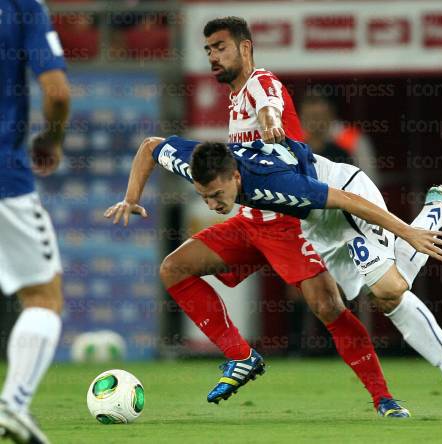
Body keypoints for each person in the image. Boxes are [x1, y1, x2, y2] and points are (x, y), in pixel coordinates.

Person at [107, 16, 407, 418]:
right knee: (174, 268)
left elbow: (269, 104)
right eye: (208, 49)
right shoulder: (232, 100)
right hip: (252, 220)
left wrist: (270, 123)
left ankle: (384, 399)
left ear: (245, 48)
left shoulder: (259, 83)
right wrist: (130, 198)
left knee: (328, 307)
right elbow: (149, 147)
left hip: (289, 219)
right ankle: (240, 356)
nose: (213, 56)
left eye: (220, 47)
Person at [108, 134, 442, 417]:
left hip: (345, 195)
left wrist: (407, 232)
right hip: (317, 224)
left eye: (217, 195)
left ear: (235, 178)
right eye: (203, 197)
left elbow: (344, 200)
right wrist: (132, 197)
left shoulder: (276, 186)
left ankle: (435, 214)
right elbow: (148, 147)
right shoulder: (196, 163)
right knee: (376, 294)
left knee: (389, 291)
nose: (211, 205)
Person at [0, 0, 71, 442]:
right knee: (43, 294)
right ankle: (14, 403)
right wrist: (52, 137)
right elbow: (58, 92)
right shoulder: (22, 6)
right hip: (4, 177)